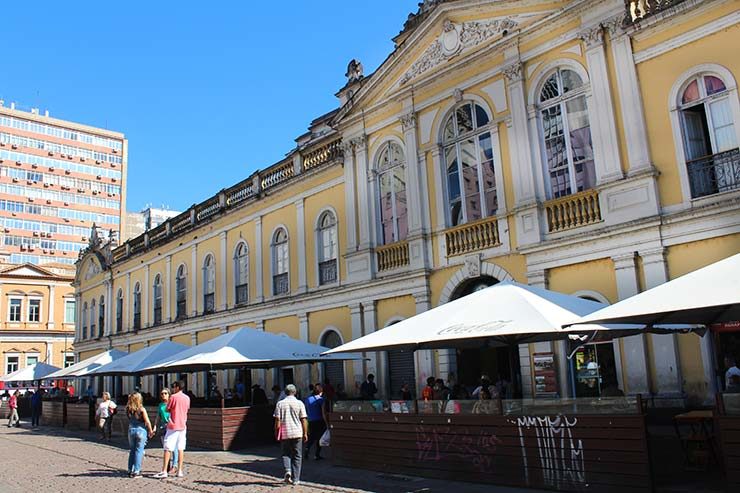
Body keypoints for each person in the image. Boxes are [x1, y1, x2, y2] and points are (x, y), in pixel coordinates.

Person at [154, 380, 190, 479]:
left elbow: (167, 409)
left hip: (173, 425)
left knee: (167, 448)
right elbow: (187, 409)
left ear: (177, 387)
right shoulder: (187, 398)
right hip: (183, 425)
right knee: (181, 448)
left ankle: (164, 471)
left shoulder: (173, 397)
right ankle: (180, 470)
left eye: (174, 387)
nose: (173, 389)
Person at [274, 384, 308, 486]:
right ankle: (296, 479)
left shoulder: (280, 404)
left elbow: (277, 420)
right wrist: (305, 433)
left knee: (286, 453)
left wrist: (276, 432)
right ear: (295, 392)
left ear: (285, 392)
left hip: (285, 432)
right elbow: (304, 419)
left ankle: (288, 470)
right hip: (297, 432)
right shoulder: (300, 403)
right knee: (297, 455)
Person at [125, 392, 154, 478]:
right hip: (141, 431)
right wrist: (151, 431)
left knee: (132, 450)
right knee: (139, 451)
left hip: (131, 430)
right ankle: (136, 471)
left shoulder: (128, 409)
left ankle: (130, 469)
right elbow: (147, 421)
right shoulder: (142, 409)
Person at [154, 388, 178, 475]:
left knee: (174, 446)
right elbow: (158, 416)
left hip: (171, 425)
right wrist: (155, 426)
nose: (163, 395)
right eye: (162, 393)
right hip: (163, 425)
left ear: (169, 394)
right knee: (166, 446)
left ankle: (174, 465)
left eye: (165, 393)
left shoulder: (172, 403)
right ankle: (167, 465)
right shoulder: (160, 405)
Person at [303, 383, 328, 461]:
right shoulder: (321, 400)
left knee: (312, 436)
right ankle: (317, 454)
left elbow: (305, 410)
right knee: (319, 438)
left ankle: (307, 448)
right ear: (321, 392)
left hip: (310, 420)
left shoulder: (307, 399)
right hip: (319, 420)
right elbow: (323, 412)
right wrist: (327, 423)